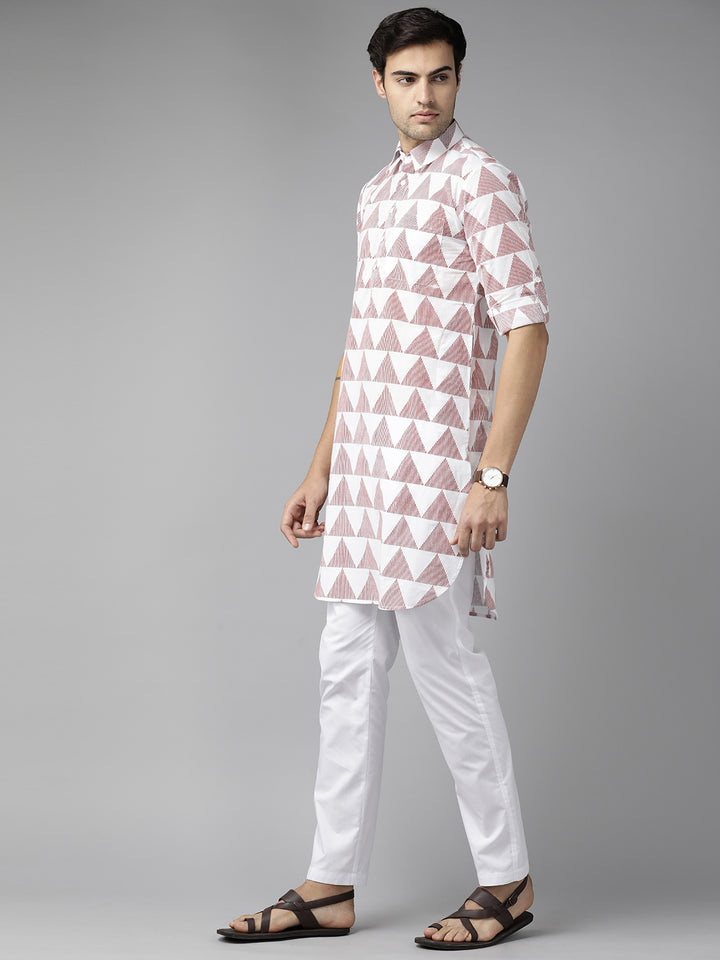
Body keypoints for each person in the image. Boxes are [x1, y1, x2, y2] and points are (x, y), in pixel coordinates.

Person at [217, 6, 549, 949]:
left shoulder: (481, 179)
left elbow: (527, 326)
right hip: (365, 476)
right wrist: (320, 468)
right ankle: (330, 885)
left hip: (436, 474)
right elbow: (361, 342)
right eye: (407, 79)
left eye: (440, 76)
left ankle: (507, 880)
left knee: (449, 675)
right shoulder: (375, 193)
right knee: (346, 675)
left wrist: (492, 475)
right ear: (379, 85)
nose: (424, 95)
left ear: (458, 79)